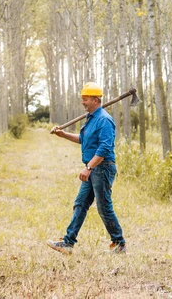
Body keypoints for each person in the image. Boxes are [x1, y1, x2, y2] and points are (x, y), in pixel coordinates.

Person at [46, 82, 126, 255]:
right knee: (80, 204)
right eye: (82, 99)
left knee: (104, 207)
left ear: (96, 100)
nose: (83, 102)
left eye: (86, 99)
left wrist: (89, 167)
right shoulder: (91, 119)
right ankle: (68, 243)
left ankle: (119, 243)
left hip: (102, 168)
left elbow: (104, 149)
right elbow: (83, 140)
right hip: (93, 168)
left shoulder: (104, 120)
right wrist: (63, 134)